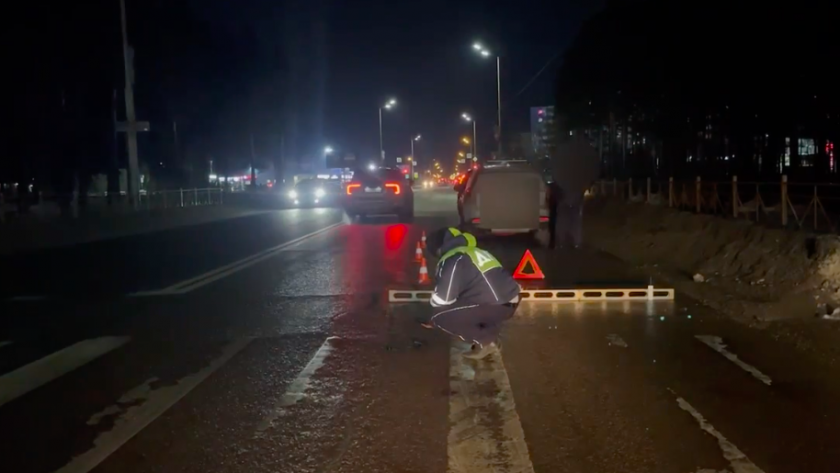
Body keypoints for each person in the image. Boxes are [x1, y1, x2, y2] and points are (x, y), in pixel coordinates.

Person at [423, 227, 521, 360]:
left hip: (495, 305)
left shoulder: (453, 258)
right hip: (511, 301)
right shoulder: (477, 252)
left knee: (439, 316)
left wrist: (430, 310)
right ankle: (490, 334)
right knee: (466, 303)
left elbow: (443, 299)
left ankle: (485, 342)